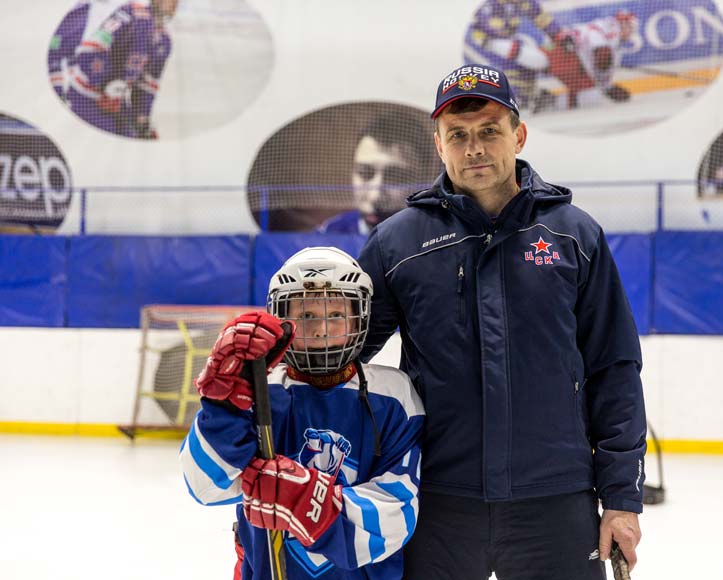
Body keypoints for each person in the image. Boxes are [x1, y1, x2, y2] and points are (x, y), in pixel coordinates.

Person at [357, 64, 646, 580]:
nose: (475, 149)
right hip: (437, 500)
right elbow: (343, 358)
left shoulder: (574, 235)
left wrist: (622, 499)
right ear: (438, 146)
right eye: (458, 136)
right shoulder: (397, 244)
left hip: (555, 498)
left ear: (519, 134)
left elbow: (614, 368)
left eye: (490, 131)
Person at [180, 246, 424, 579]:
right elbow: (205, 486)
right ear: (285, 320)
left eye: (336, 315)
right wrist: (224, 405)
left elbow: (396, 515)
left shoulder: (393, 396)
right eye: (307, 316)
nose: (322, 328)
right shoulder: (258, 391)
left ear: (360, 317)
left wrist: (306, 501)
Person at [67, 0, 177, 139]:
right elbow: (91, 48)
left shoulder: (164, 41)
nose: (174, 5)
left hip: (117, 101)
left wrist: (142, 119)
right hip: (87, 97)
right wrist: (104, 83)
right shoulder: (131, 13)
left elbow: (147, 85)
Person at [318, 112, 439, 235]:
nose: (375, 196)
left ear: (423, 182)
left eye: (396, 177)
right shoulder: (331, 233)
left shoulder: (439, 236)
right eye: (364, 173)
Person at [463, 0, 563, 109]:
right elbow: (486, 25)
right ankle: (511, 98)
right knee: (516, 55)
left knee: (526, 58)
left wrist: (558, 34)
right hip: (484, 44)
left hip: (505, 41)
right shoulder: (490, 5)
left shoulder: (525, 3)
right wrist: (506, 25)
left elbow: (542, 18)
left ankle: (524, 97)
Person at [545, 10, 638, 111]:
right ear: (623, 25)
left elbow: (602, 63)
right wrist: (606, 86)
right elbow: (602, 54)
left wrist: (608, 88)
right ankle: (548, 101)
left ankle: (547, 100)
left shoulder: (615, 42)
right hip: (565, 55)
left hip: (568, 59)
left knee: (591, 96)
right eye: (631, 26)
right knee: (591, 97)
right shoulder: (610, 31)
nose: (632, 30)